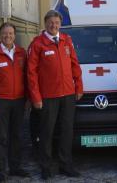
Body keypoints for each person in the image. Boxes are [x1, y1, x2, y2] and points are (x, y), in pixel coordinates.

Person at [27, 10, 83, 180]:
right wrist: (35, 97)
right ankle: (45, 166)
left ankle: (65, 165)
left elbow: (75, 64)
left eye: (57, 22)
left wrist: (79, 86)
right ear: (45, 23)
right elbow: (31, 73)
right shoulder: (37, 44)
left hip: (67, 94)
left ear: (60, 23)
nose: (54, 25)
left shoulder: (67, 40)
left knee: (67, 131)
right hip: (48, 96)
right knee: (47, 132)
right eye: (51, 22)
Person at [0, 23, 30, 183]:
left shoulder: (21, 53)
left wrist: (28, 99)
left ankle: (15, 167)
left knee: (17, 136)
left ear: (14, 35)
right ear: (0, 35)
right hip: (1, 102)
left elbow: (27, 78)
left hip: (19, 101)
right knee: (1, 137)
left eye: (10, 33)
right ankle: (0, 171)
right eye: (4, 33)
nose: (7, 36)